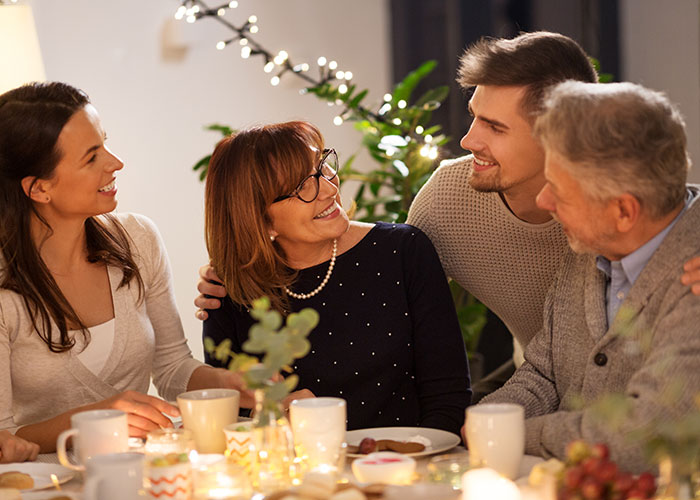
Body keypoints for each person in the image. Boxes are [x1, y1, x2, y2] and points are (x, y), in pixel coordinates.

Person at [194, 31, 700, 400]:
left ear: (557, 134)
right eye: (473, 114)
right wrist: (237, 270)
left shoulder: (654, 228)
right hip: (548, 404)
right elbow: (371, 266)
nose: (467, 140)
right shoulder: (447, 203)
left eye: (494, 127)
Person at [0, 82, 250, 455]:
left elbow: (171, 368)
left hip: (148, 475)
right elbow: (5, 437)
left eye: (105, 143)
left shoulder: (138, 239)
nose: (115, 163)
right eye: (91, 156)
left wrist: (233, 384)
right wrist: (93, 419)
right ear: (38, 189)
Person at [476, 80, 700, 472]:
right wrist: (488, 418)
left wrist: (513, 435)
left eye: (559, 192)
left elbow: (642, 437)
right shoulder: (589, 244)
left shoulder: (693, 279)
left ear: (624, 212)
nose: (544, 202)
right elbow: (546, 371)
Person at [202, 121, 470, 436]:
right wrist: (273, 415)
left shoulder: (403, 251)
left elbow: (448, 396)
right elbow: (231, 411)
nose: (329, 188)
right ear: (259, 220)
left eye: (322, 166)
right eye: (301, 186)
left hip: (410, 466)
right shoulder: (228, 289)